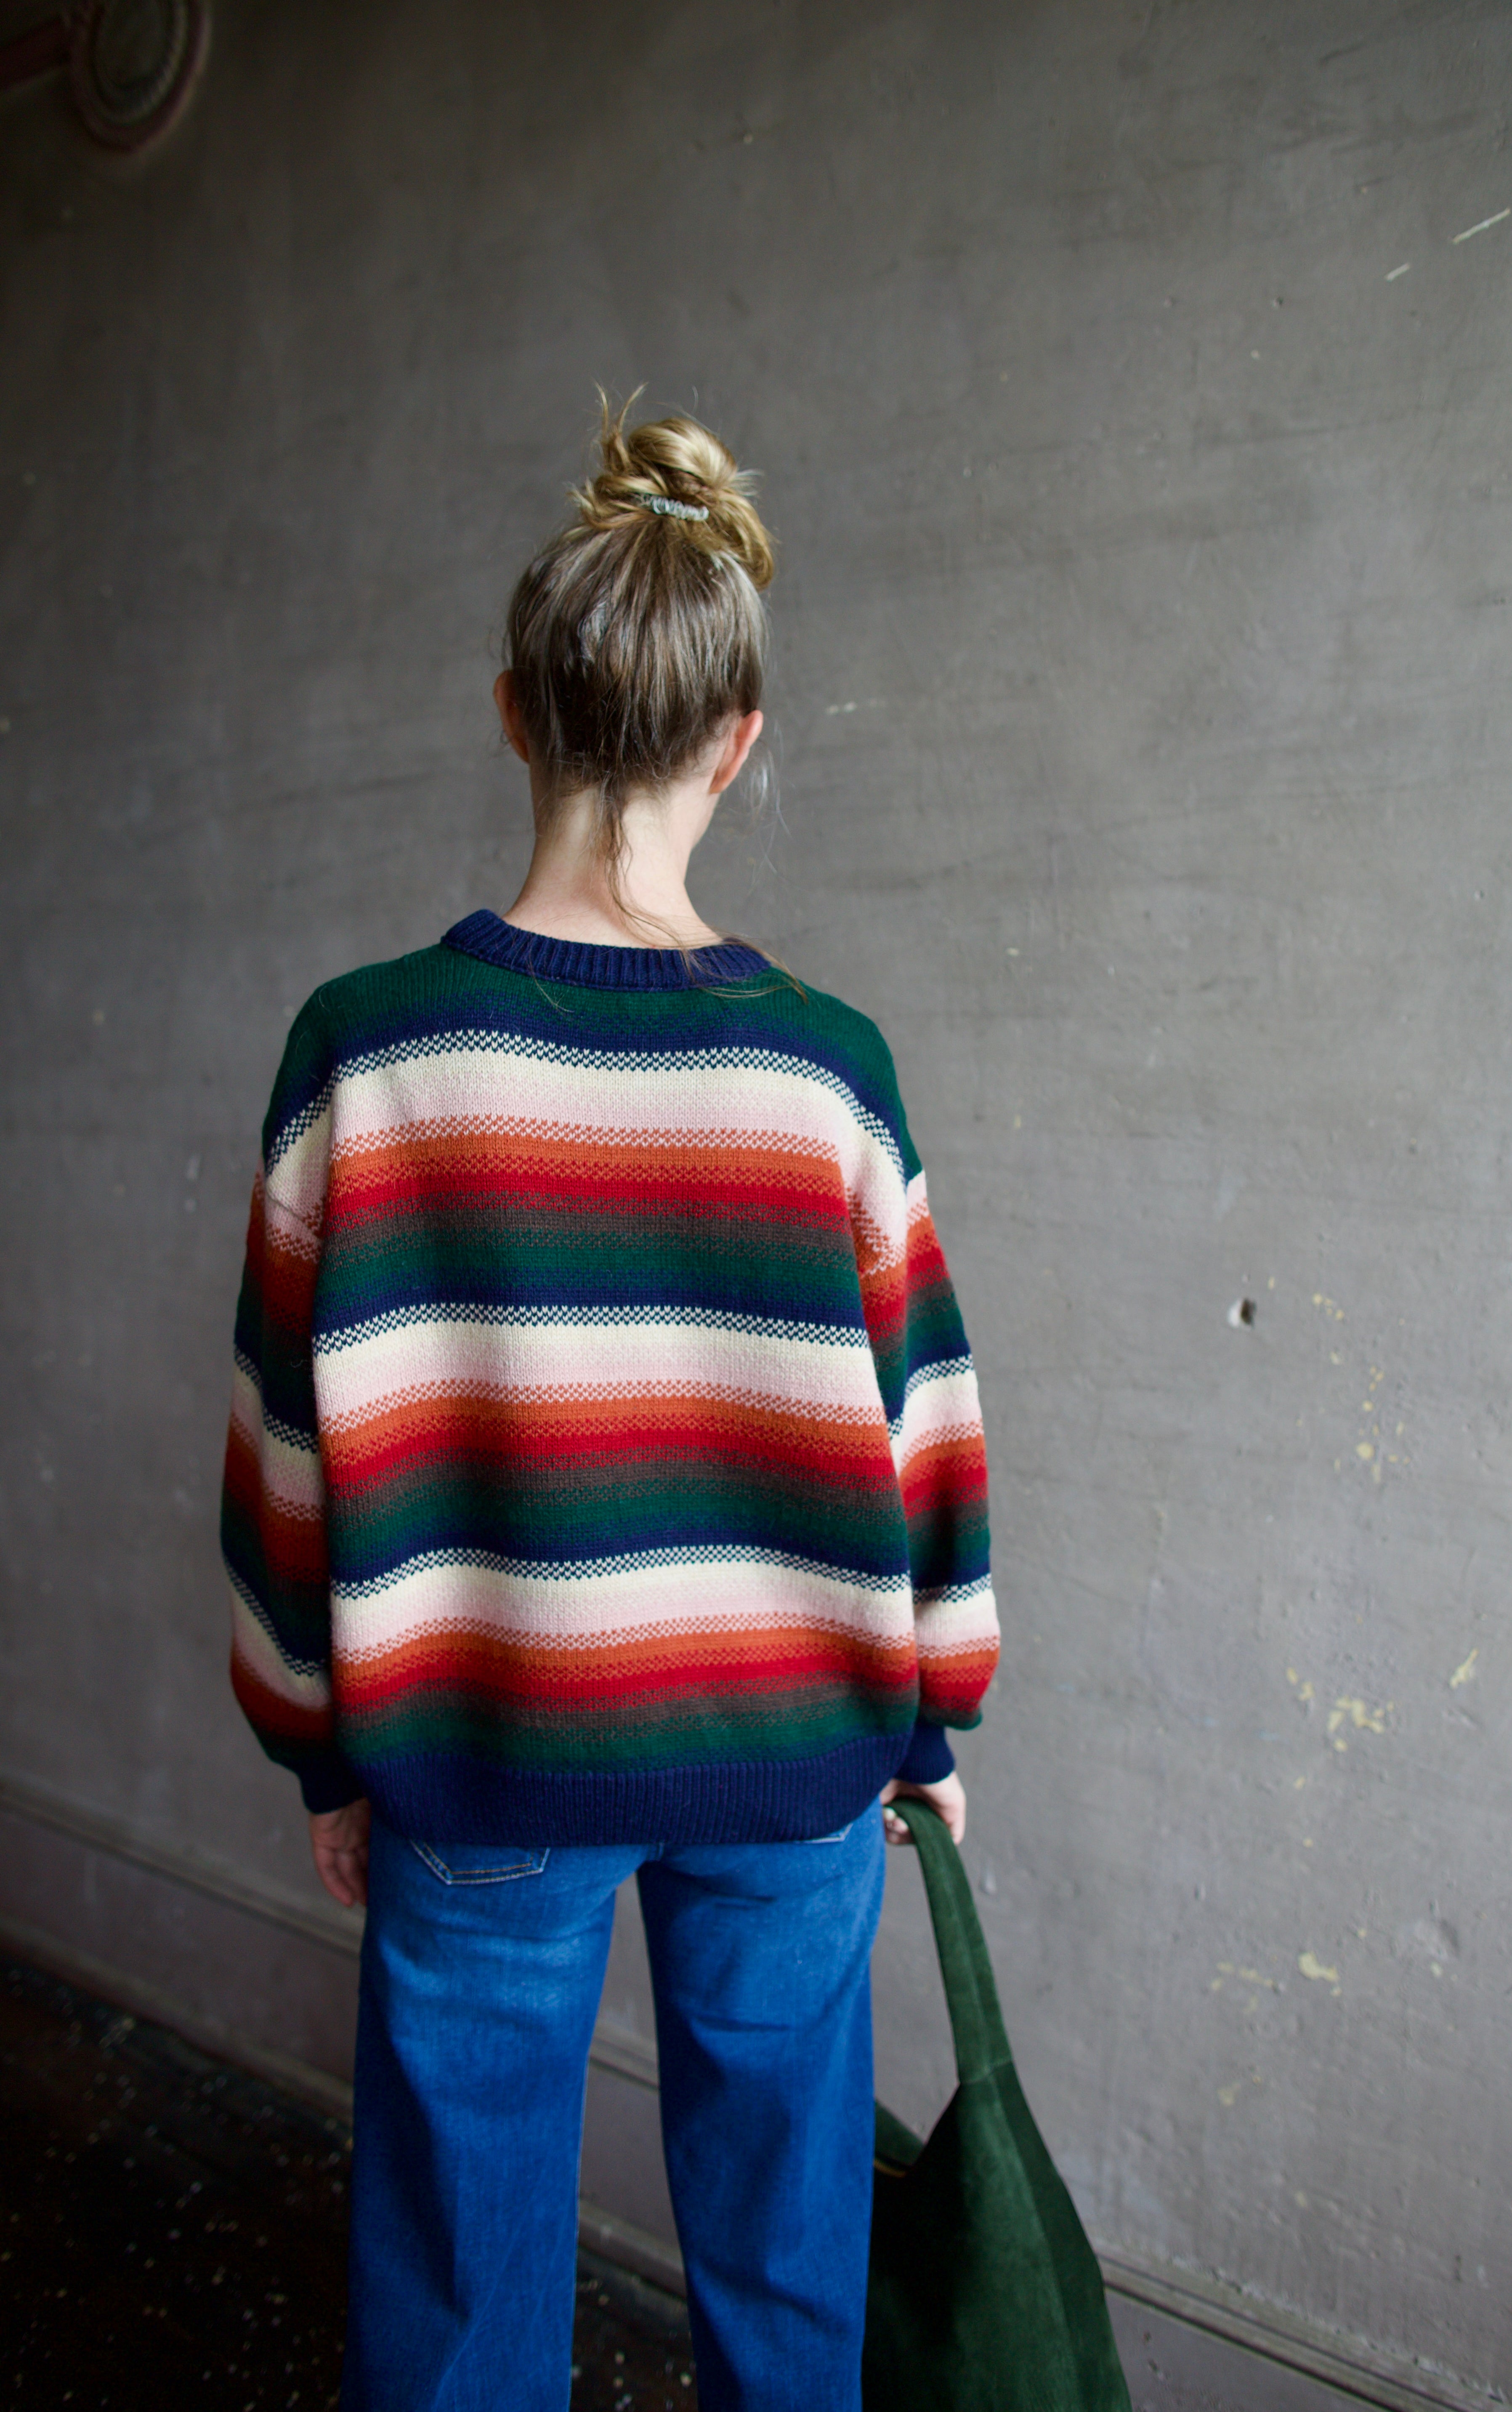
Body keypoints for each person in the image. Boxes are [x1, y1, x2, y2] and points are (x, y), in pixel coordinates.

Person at [220, 398, 1000, 2411]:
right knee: (789, 2273)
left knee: (456, 2290)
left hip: (483, 1751)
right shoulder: (829, 1073)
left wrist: (318, 1740)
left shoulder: (366, 1056)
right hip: (797, 1754)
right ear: (736, 742)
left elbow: (289, 1452)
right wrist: (931, 1714)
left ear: (514, 716)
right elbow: (925, 1421)